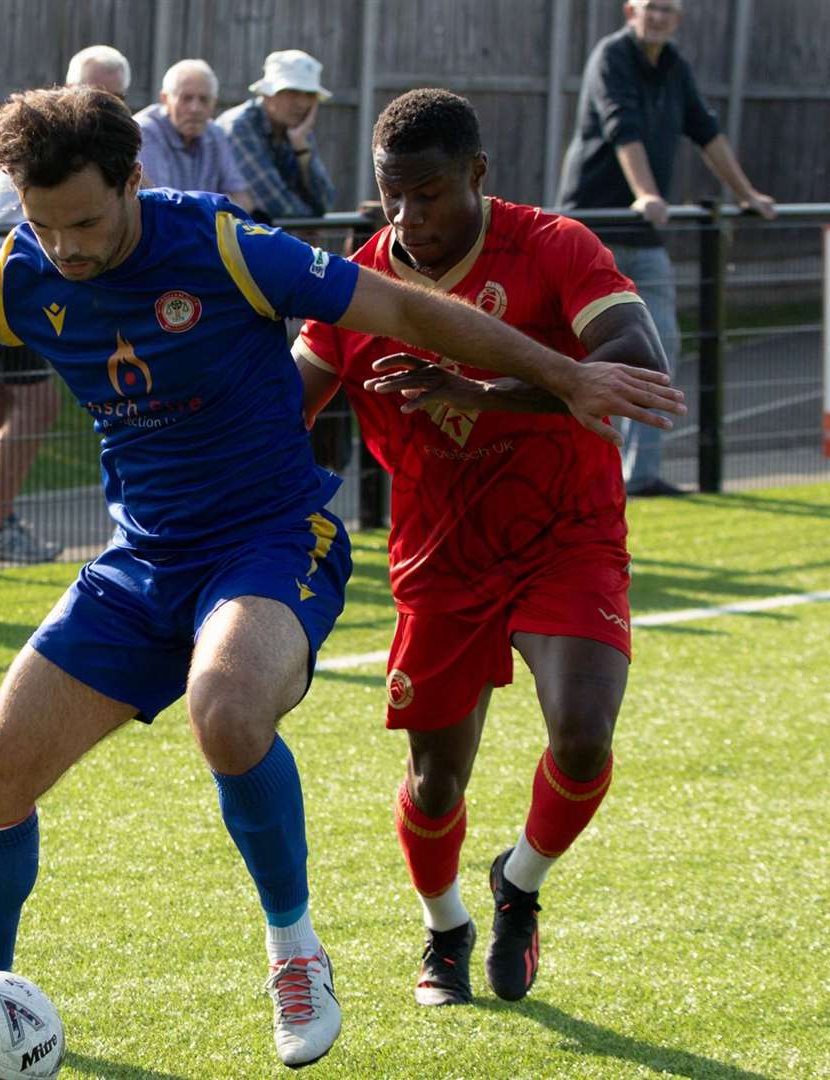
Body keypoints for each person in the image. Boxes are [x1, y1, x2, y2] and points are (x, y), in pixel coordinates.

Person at [0, 87, 682, 1066]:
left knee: (224, 707)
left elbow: (396, 307)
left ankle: (296, 955)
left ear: (135, 181)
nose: (67, 247)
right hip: (143, 563)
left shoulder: (222, 245)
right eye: (43, 224)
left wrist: (563, 375)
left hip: (271, 539)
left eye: (85, 220)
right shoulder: (18, 275)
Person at [296, 88, 675, 1007]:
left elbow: (634, 359)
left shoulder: (553, 247)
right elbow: (286, 405)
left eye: (427, 194)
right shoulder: (360, 284)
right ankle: (445, 929)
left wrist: (476, 389)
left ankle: (521, 887)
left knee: (582, 739)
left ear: (477, 175)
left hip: (567, 533)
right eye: (392, 196)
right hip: (440, 554)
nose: (407, 217)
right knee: (434, 785)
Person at [558, 0, 775, 497]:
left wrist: (746, 194)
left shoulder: (675, 66)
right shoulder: (610, 56)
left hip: (645, 238)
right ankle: (578, 472)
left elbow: (706, 130)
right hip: (596, 231)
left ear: (679, 18)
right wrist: (646, 193)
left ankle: (641, 475)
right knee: (581, 355)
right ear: (631, 10)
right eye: (651, 7)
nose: (659, 17)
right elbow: (622, 127)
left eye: (669, 10)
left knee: (661, 349)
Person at [0, 45, 132, 563]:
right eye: (90, 90)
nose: (100, 101)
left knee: (4, 406)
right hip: (16, 288)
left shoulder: (94, 153)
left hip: (21, 285)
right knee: (32, 402)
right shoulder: (46, 151)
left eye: (111, 94)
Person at [217, 50, 338, 221]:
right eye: (292, 92)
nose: (302, 103)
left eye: (310, 95)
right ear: (267, 93)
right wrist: (311, 222)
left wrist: (301, 148)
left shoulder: (298, 131)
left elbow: (326, 202)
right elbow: (275, 203)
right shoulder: (239, 127)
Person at [135, 59, 253, 211]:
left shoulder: (215, 133)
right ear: (165, 99)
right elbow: (161, 204)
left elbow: (243, 200)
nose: (195, 108)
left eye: (204, 99)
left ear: (214, 103)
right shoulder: (146, 132)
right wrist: (215, 210)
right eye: (186, 98)